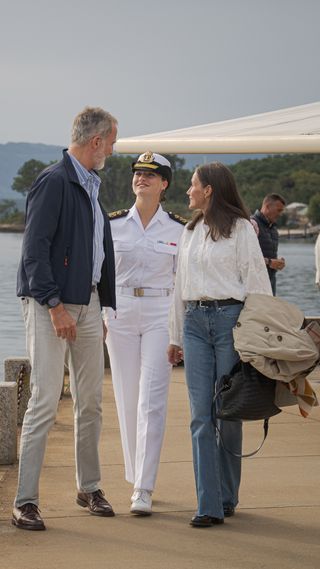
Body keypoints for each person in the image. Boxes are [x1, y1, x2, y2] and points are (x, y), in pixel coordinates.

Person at [13, 107, 118, 531]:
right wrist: (55, 306)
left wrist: (100, 307)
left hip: (88, 305)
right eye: (112, 141)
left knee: (90, 401)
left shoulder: (91, 186)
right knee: (43, 400)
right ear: (96, 142)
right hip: (49, 305)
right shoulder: (54, 181)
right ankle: (25, 501)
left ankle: (88, 488)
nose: (112, 149)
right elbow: (34, 251)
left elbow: (97, 253)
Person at [167, 162, 272, 528]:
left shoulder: (242, 229)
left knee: (228, 412)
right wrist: (174, 336)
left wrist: (257, 340)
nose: (188, 191)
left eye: (193, 185)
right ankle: (208, 504)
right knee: (200, 415)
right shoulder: (190, 230)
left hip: (230, 322)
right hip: (194, 323)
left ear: (209, 189)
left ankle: (227, 496)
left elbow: (258, 283)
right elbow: (180, 286)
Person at [103, 151, 185, 516]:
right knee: (126, 396)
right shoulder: (113, 224)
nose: (142, 179)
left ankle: (144, 487)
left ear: (164, 184)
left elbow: (183, 284)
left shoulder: (180, 229)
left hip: (158, 313)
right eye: (138, 173)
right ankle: (135, 473)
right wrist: (102, 314)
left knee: (152, 401)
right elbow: (99, 273)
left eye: (151, 175)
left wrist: (178, 332)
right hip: (118, 313)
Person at [251, 193, 286, 294]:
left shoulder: (273, 229)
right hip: (254, 286)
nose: (280, 214)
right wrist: (270, 262)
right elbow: (244, 257)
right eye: (279, 210)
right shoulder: (251, 225)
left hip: (270, 284)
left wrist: (278, 263)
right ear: (267, 207)